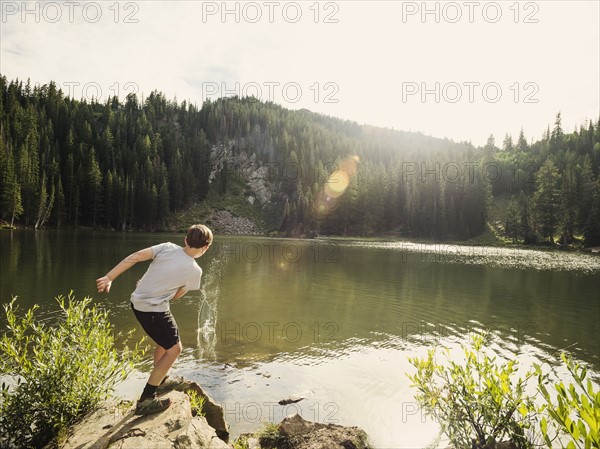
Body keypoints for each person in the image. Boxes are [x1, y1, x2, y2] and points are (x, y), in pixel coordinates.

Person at [96, 224, 213, 415]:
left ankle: (162, 378)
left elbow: (134, 257)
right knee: (175, 349)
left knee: (167, 341)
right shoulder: (195, 271)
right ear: (205, 247)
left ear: (185, 240)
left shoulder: (166, 247)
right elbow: (176, 296)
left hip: (138, 304)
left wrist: (109, 277)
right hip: (154, 311)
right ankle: (146, 399)